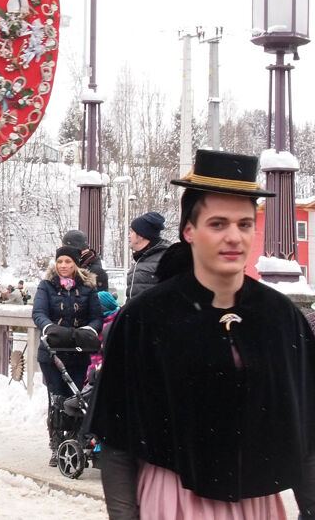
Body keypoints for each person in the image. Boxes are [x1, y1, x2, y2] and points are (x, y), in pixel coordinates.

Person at [92, 149, 315, 518]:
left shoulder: (280, 318)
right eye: (218, 223)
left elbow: (307, 433)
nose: (234, 237)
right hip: (172, 501)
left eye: (244, 224)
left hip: (256, 505)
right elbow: (118, 441)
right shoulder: (146, 319)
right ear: (189, 231)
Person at [32, 241, 102, 467]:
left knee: (77, 397)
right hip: (52, 351)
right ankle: (56, 441)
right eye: (60, 261)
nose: (63, 266)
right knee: (58, 397)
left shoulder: (88, 288)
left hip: (79, 350)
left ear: (76, 264)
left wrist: (88, 330)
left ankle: (73, 438)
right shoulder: (47, 286)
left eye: (68, 262)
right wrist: (50, 328)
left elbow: (96, 316)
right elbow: (39, 312)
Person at [125, 211, 171, 299]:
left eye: (131, 232)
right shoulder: (141, 259)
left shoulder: (166, 259)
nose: (129, 236)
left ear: (141, 235)